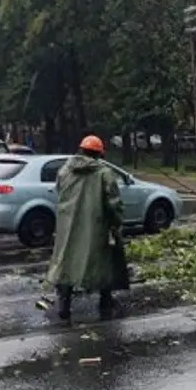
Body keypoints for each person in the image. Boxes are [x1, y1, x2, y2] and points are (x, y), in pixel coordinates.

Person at [45, 135, 129, 321]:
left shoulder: (65, 170)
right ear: (99, 154)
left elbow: (60, 192)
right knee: (103, 262)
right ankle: (105, 301)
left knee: (66, 262)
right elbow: (113, 203)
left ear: (80, 150)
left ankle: (64, 305)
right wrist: (116, 223)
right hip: (96, 226)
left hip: (67, 226)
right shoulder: (104, 173)